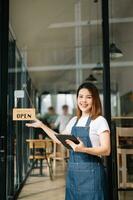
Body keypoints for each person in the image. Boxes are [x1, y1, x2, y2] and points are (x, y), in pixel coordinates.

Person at [26, 82, 111, 200]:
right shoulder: (74, 121)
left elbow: (106, 150)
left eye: (88, 97)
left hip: (92, 177)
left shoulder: (100, 120)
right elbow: (58, 139)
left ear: (95, 99)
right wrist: (42, 126)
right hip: (73, 176)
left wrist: (83, 149)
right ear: (77, 99)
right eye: (80, 96)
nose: (84, 100)